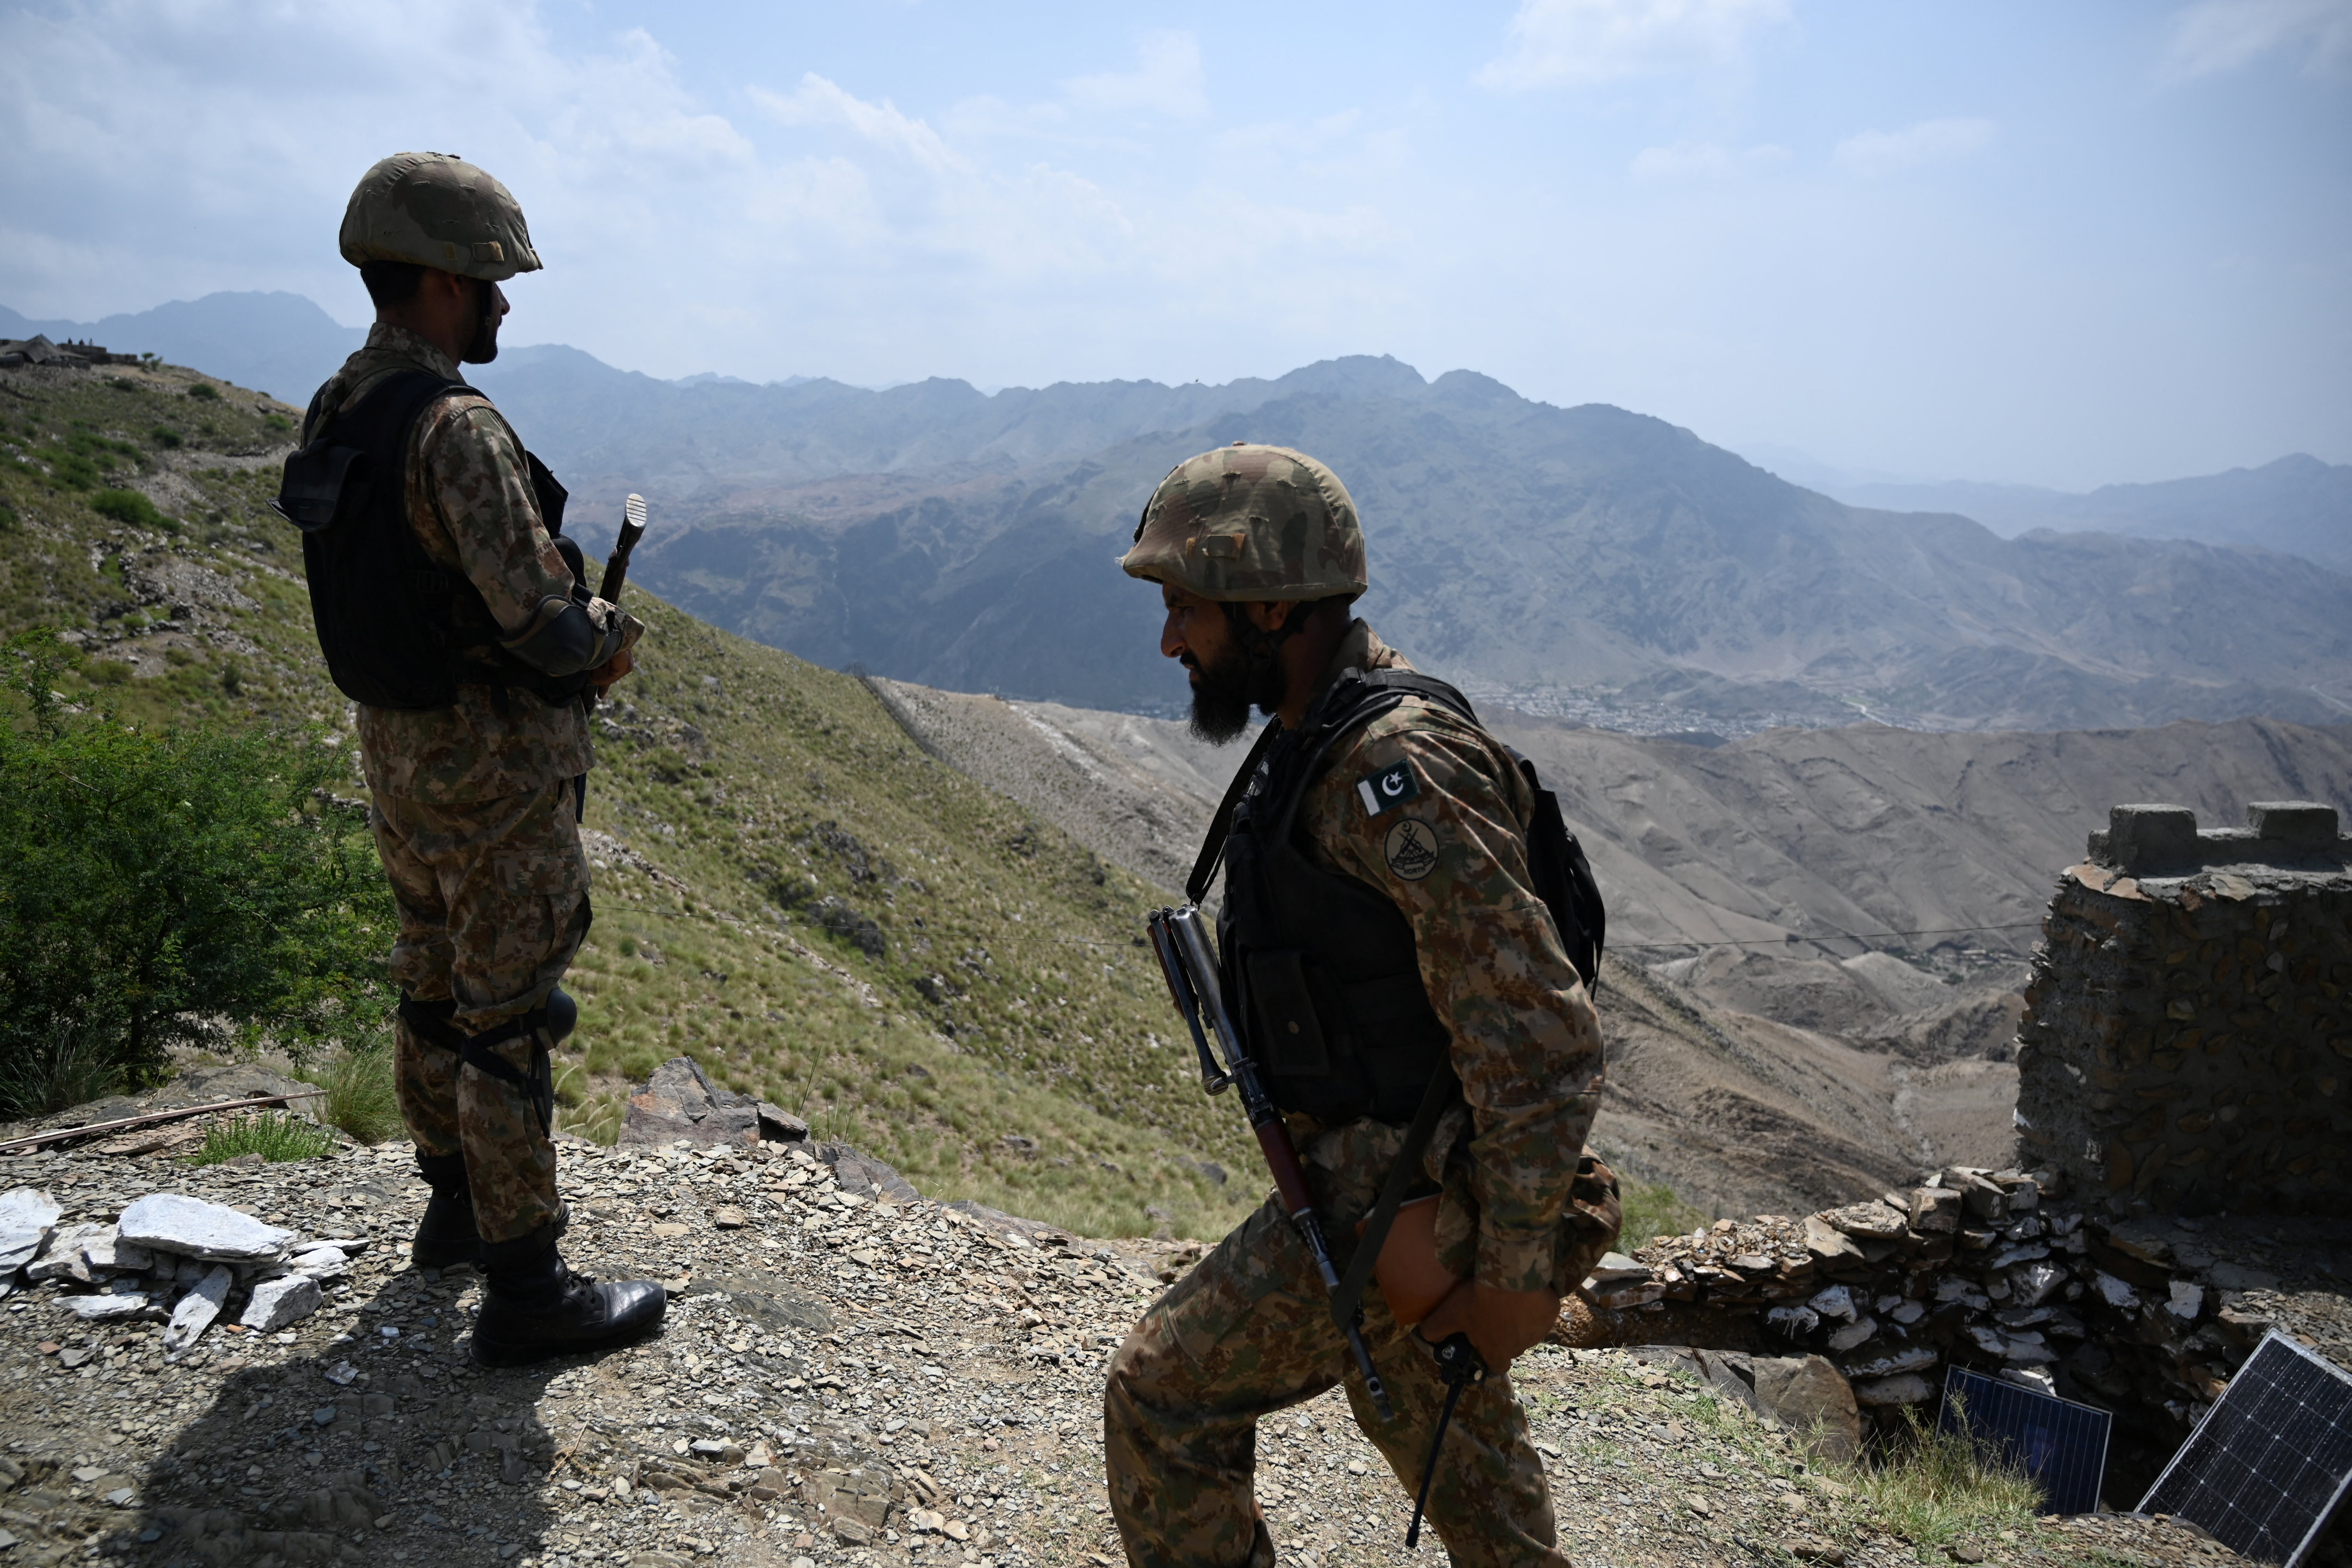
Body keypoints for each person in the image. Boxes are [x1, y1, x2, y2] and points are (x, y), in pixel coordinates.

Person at [1103, 442, 1617, 1566]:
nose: (1170, 641)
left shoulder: (1397, 768)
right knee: (1456, 1464)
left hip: (1406, 1201)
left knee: (1163, 1395)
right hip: (1392, 1190)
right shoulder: (1316, 733)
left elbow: (1541, 1039)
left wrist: (1514, 1278)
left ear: (1271, 604)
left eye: (1186, 607)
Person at [297, 152, 664, 1365]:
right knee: (506, 1018)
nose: (504, 302)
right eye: (494, 281)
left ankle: (452, 1209)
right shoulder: (456, 429)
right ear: (446, 283)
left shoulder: (338, 405)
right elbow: (540, 622)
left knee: (431, 981)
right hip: (496, 774)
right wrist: (610, 641)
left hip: (398, 756)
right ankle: (529, 1291)